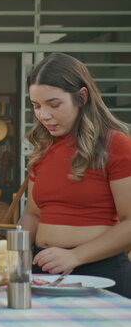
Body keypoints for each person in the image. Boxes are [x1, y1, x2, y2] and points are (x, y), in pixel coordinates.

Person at [22, 53, 131, 297]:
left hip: (99, 272)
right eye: (36, 106)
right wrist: (7, 255)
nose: (43, 115)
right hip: (43, 271)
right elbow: (32, 214)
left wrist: (74, 256)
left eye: (54, 104)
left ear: (82, 97)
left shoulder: (116, 145)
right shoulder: (42, 150)